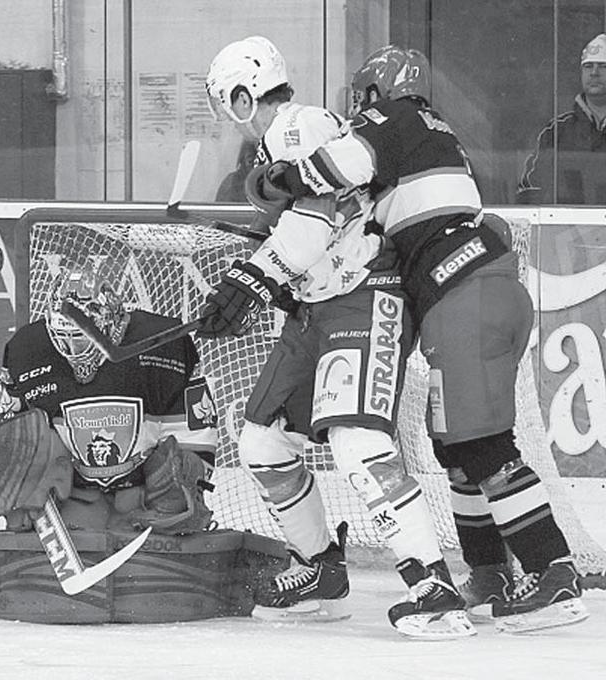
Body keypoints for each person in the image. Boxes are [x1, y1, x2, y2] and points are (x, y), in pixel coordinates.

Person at [265, 45, 589, 633]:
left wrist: (274, 178)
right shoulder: (428, 134)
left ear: (378, 91)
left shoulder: (396, 119)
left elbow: (330, 170)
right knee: (457, 448)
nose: (358, 108)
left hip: (464, 292)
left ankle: (552, 573)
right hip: (472, 292)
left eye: (364, 97)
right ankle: (490, 576)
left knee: (484, 445)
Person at [199, 36, 472, 639]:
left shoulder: (302, 127)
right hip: (315, 307)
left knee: (355, 442)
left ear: (244, 97)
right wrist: (265, 277)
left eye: (229, 104)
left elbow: (321, 212)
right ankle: (320, 567)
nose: (229, 119)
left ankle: (433, 585)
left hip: (365, 294)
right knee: (261, 443)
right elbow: (311, 223)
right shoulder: (286, 140)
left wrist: (257, 275)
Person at [0, 262, 218, 537]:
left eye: (81, 338)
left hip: (145, 498)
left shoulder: (164, 342)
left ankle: (164, 516)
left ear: (109, 322)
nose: (73, 350)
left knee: (173, 479)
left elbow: (196, 426)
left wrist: (185, 479)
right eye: (63, 337)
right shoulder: (26, 349)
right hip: (77, 492)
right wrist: (20, 478)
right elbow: (16, 431)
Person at [518, 33, 606, 204]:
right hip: (566, 228)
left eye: (603, 66)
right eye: (588, 66)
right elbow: (529, 191)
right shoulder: (557, 130)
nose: (594, 73)